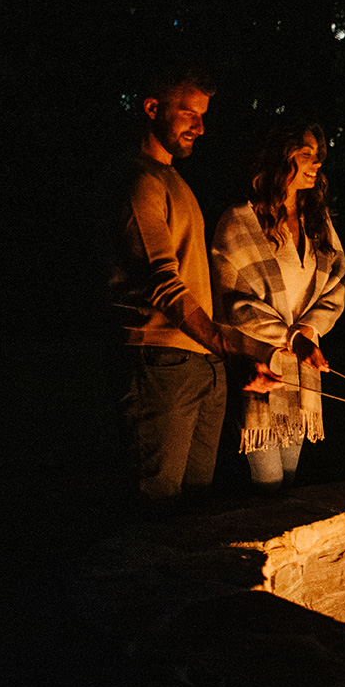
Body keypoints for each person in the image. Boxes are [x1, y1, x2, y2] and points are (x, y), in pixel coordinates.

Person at [110, 64, 281, 511]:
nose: (200, 128)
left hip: (201, 362)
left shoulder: (175, 181)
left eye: (203, 116)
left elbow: (195, 285)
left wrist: (236, 353)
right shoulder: (140, 182)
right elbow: (163, 285)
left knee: (195, 507)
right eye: (189, 114)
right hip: (161, 361)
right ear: (152, 109)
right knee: (158, 504)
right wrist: (224, 344)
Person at [210, 121, 345, 492]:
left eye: (318, 156)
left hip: (302, 370)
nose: (316, 164)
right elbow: (235, 301)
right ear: (280, 157)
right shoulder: (240, 222)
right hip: (258, 364)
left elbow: (338, 279)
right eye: (306, 155)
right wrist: (290, 339)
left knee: (289, 480)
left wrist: (309, 330)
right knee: (268, 482)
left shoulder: (316, 220)